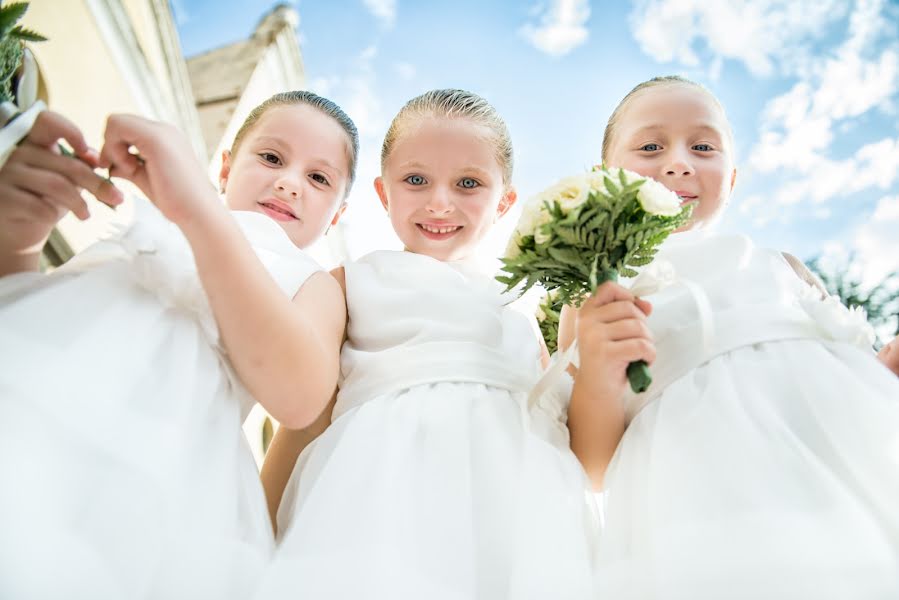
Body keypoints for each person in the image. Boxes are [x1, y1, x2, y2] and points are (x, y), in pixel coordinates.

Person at [0, 91, 357, 599]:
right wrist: (18, 241)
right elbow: (36, 320)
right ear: (226, 168)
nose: (288, 182)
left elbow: (299, 396)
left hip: (153, 475)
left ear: (337, 214)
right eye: (272, 157)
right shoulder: (155, 225)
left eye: (319, 178)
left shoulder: (311, 281)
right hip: (31, 412)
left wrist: (198, 211)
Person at [257, 89, 601, 599]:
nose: (440, 202)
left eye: (468, 183)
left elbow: (569, 435)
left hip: (520, 517)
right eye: (416, 180)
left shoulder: (521, 318)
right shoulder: (348, 283)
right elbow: (303, 420)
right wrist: (257, 537)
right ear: (384, 192)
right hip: (381, 503)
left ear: (505, 200)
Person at [568, 75, 899, 598]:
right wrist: (599, 376)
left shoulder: (780, 265)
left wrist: (889, 368)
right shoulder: (598, 297)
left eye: (703, 147)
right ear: (605, 176)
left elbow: (851, 375)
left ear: (733, 177)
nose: (679, 162)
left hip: (829, 470)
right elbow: (591, 462)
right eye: (651, 146)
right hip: (702, 496)